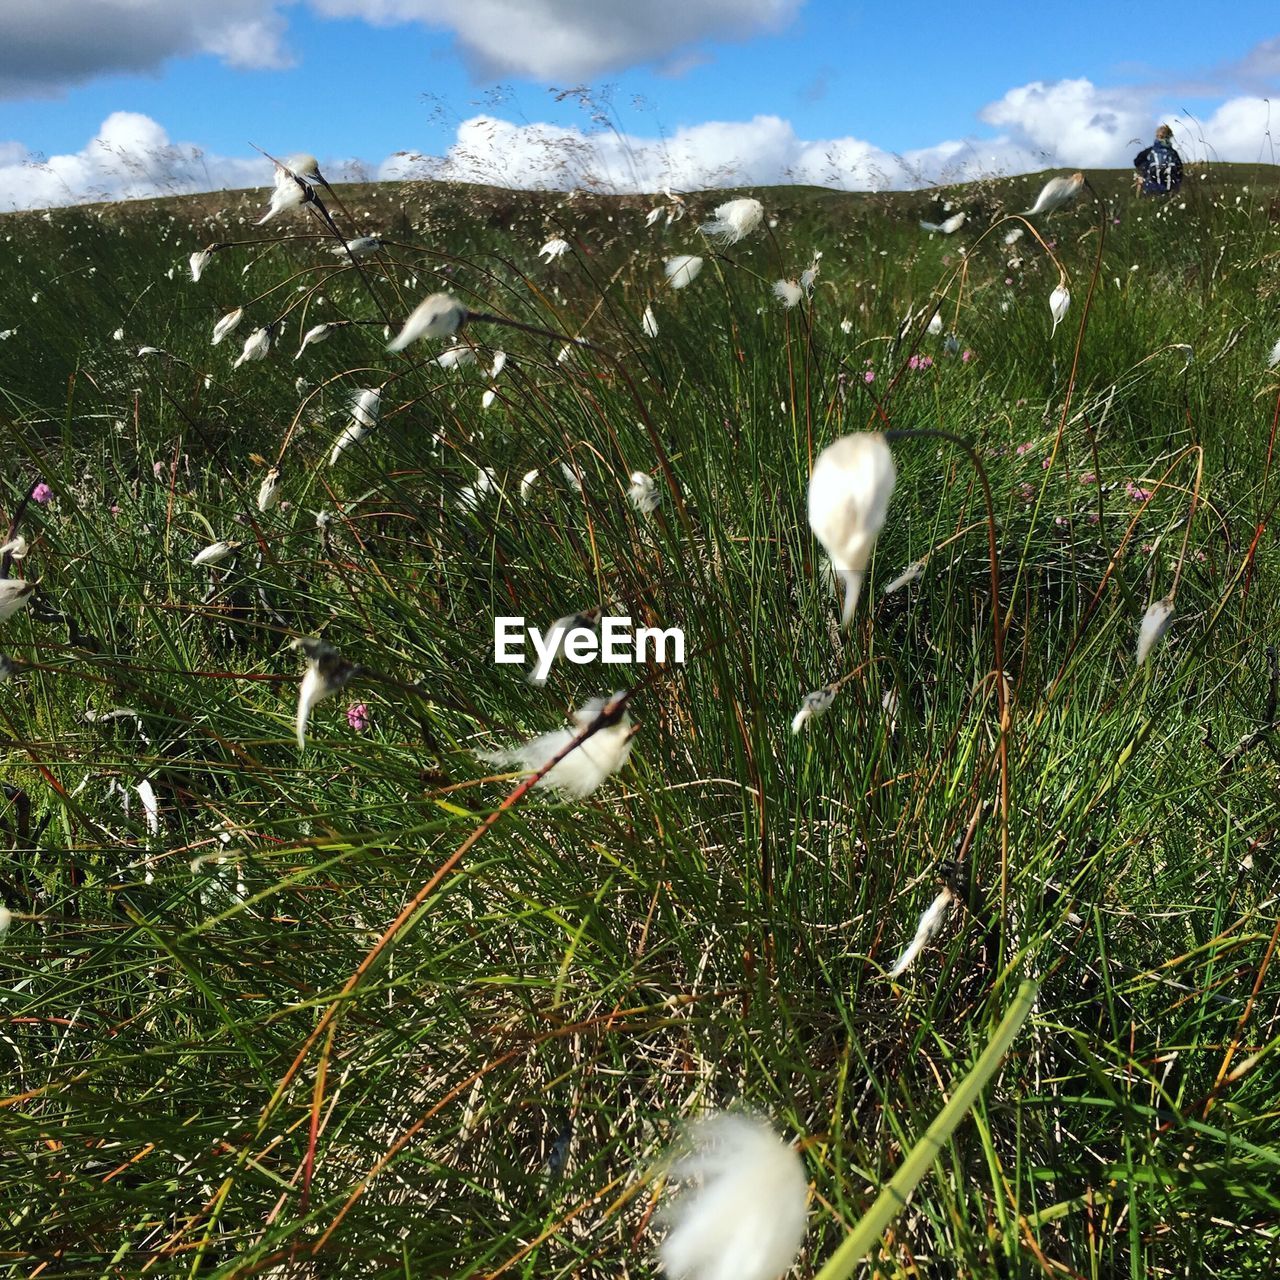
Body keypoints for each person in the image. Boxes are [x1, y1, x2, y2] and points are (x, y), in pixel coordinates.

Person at [1134, 124, 1183, 195]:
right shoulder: (1173, 152)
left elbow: (1137, 161)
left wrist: (1145, 170)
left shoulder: (1150, 151)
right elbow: (1180, 170)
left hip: (1152, 187)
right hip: (1169, 189)